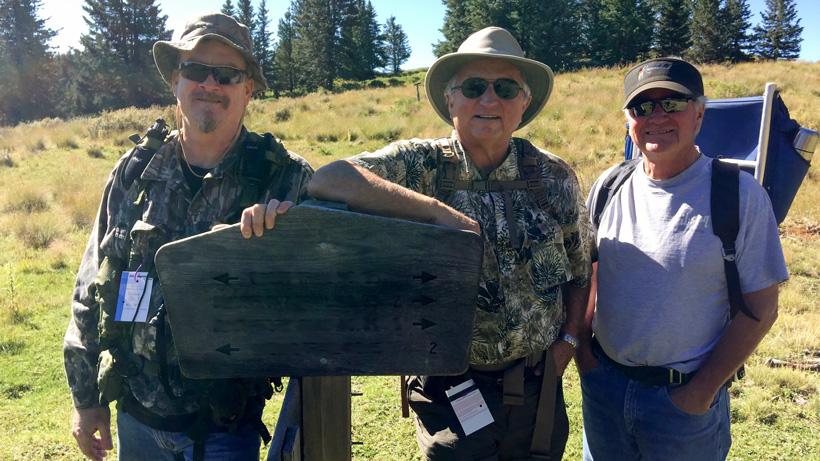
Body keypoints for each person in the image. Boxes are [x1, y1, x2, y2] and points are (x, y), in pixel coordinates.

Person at [245, 26, 591, 460]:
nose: (489, 100)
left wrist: (568, 345)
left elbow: (580, 270)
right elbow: (329, 177)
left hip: (538, 384)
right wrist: (433, 210)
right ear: (451, 99)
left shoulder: (553, 176)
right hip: (449, 389)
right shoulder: (420, 164)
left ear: (523, 103)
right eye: (473, 87)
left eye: (505, 88)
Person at [63, 13, 312, 461]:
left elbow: (326, 289)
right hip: (136, 419)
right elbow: (89, 289)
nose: (210, 84)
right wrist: (86, 400)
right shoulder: (135, 172)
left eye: (227, 75)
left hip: (225, 427)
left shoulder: (285, 180)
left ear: (248, 89)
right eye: (196, 70)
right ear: (175, 81)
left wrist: (291, 232)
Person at [577, 57, 788, 460]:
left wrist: (700, 391)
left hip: (684, 404)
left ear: (699, 114)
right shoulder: (608, 185)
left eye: (671, 103)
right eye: (642, 107)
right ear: (628, 120)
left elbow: (762, 307)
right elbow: (589, 274)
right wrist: (585, 357)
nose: (656, 116)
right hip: (604, 388)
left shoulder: (739, 195)